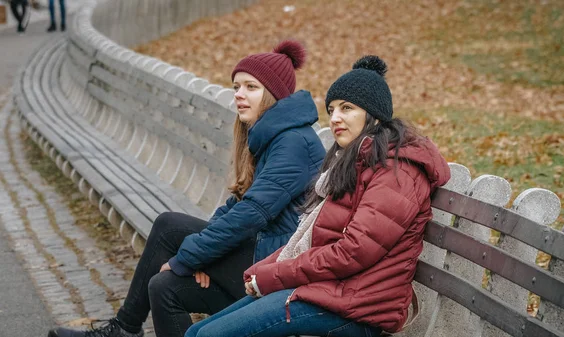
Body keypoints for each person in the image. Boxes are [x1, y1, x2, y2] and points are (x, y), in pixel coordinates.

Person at [48, 40, 326, 337]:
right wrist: (202, 255)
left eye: (251, 88)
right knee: (164, 285)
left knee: (169, 229)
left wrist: (191, 256)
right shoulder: (273, 136)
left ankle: (125, 328)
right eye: (236, 87)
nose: (239, 96)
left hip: (277, 262)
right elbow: (238, 204)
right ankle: (126, 327)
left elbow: (250, 214)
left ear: (273, 95)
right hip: (259, 250)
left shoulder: (293, 143)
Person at [185, 55, 451, 337]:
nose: (335, 118)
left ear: (374, 115)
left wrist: (271, 276)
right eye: (332, 109)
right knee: (197, 333)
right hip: (331, 291)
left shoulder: (397, 173)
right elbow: (314, 238)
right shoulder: (355, 163)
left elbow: (352, 252)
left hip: (359, 307)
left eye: (347, 108)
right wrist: (262, 269)